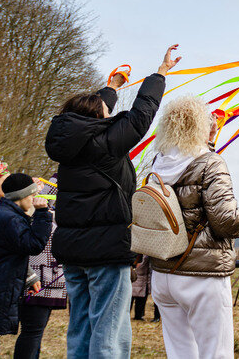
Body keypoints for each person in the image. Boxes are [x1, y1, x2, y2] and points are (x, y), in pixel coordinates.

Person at [45, 44, 180, 358]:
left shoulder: (67, 147)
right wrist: (160, 75)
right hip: (105, 250)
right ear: (96, 118)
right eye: (106, 112)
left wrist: (112, 87)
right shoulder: (107, 143)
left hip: (73, 250)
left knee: (80, 324)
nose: (109, 115)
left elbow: (92, 116)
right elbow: (141, 114)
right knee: (109, 329)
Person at [148, 95, 239, 359]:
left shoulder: (158, 163)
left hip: (164, 272)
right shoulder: (211, 163)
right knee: (215, 352)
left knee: (181, 353)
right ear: (201, 126)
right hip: (202, 275)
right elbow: (226, 222)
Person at [0, 173, 53, 356]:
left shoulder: (6, 214)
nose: (33, 199)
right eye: (31, 195)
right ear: (21, 197)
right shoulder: (10, 219)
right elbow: (33, 244)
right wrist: (43, 214)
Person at [14, 175, 68, 359]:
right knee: (32, 331)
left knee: (35, 332)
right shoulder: (36, 212)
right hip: (38, 280)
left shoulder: (49, 213)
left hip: (49, 280)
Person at [130, 255, 152, 321]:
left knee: (130, 300)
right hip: (141, 280)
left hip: (134, 278)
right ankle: (138, 315)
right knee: (140, 300)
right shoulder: (147, 256)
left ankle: (131, 314)